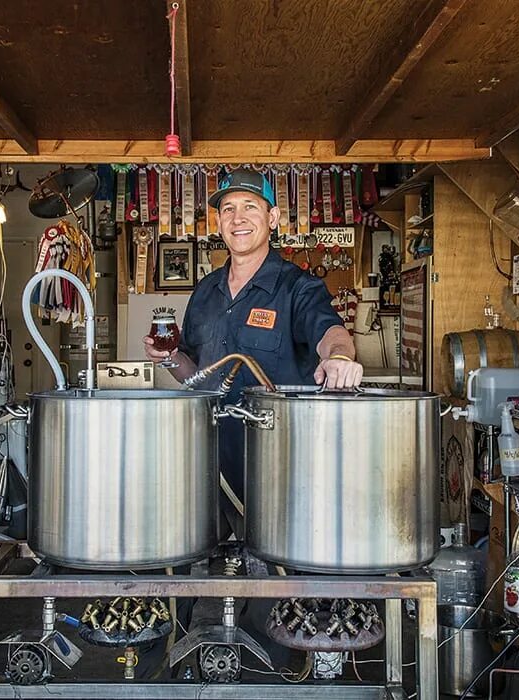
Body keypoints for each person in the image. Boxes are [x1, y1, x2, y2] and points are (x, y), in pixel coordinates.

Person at [143, 168, 364, 504]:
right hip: (212, 466)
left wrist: (338, 358)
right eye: (228, 209)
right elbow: (195, 377)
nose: (238, 218)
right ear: (218, 222)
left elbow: (332, 333)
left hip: (283, 466)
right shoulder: (204, 291)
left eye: (250, 206)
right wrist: (170, 358)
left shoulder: (297, 287)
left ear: (272, 217)